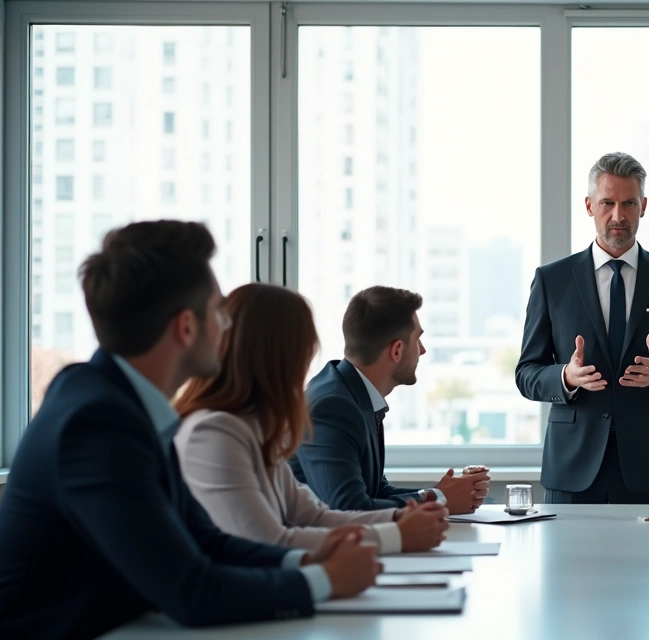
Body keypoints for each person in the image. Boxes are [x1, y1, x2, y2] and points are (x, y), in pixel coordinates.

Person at [0, 222, 379, 639]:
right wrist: (325, 581)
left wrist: (312, 561)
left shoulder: (120, 405)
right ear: (186, 327)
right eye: (219, 312)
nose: (228, 327)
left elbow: (209, 543)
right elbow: (193, 592)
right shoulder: (96, 424)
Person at [175, 283, 449, 555]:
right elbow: (271, 541)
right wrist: (397, 535)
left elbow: (315, 516)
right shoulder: (215, 432)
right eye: (304, 350)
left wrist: (402, 521)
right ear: (277, 357)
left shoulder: (253, 428)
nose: (306, 367)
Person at [516, 152, 649, 504]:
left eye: (629, 203)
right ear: (589, 205)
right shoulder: (552, 280)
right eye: (607, 202)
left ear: (644, 206)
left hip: (648, 467)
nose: (618, 215)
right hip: (571, 466)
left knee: (647, 561)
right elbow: (527, 373)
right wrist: (566, 377)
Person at [290, 286, 490, 514]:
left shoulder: (353, 393)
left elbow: (374, 491)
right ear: (396, 351)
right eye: (417, 340)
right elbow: (349, 507)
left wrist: (444, 493)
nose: (422, 351)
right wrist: (439, 499)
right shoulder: (332, 407)